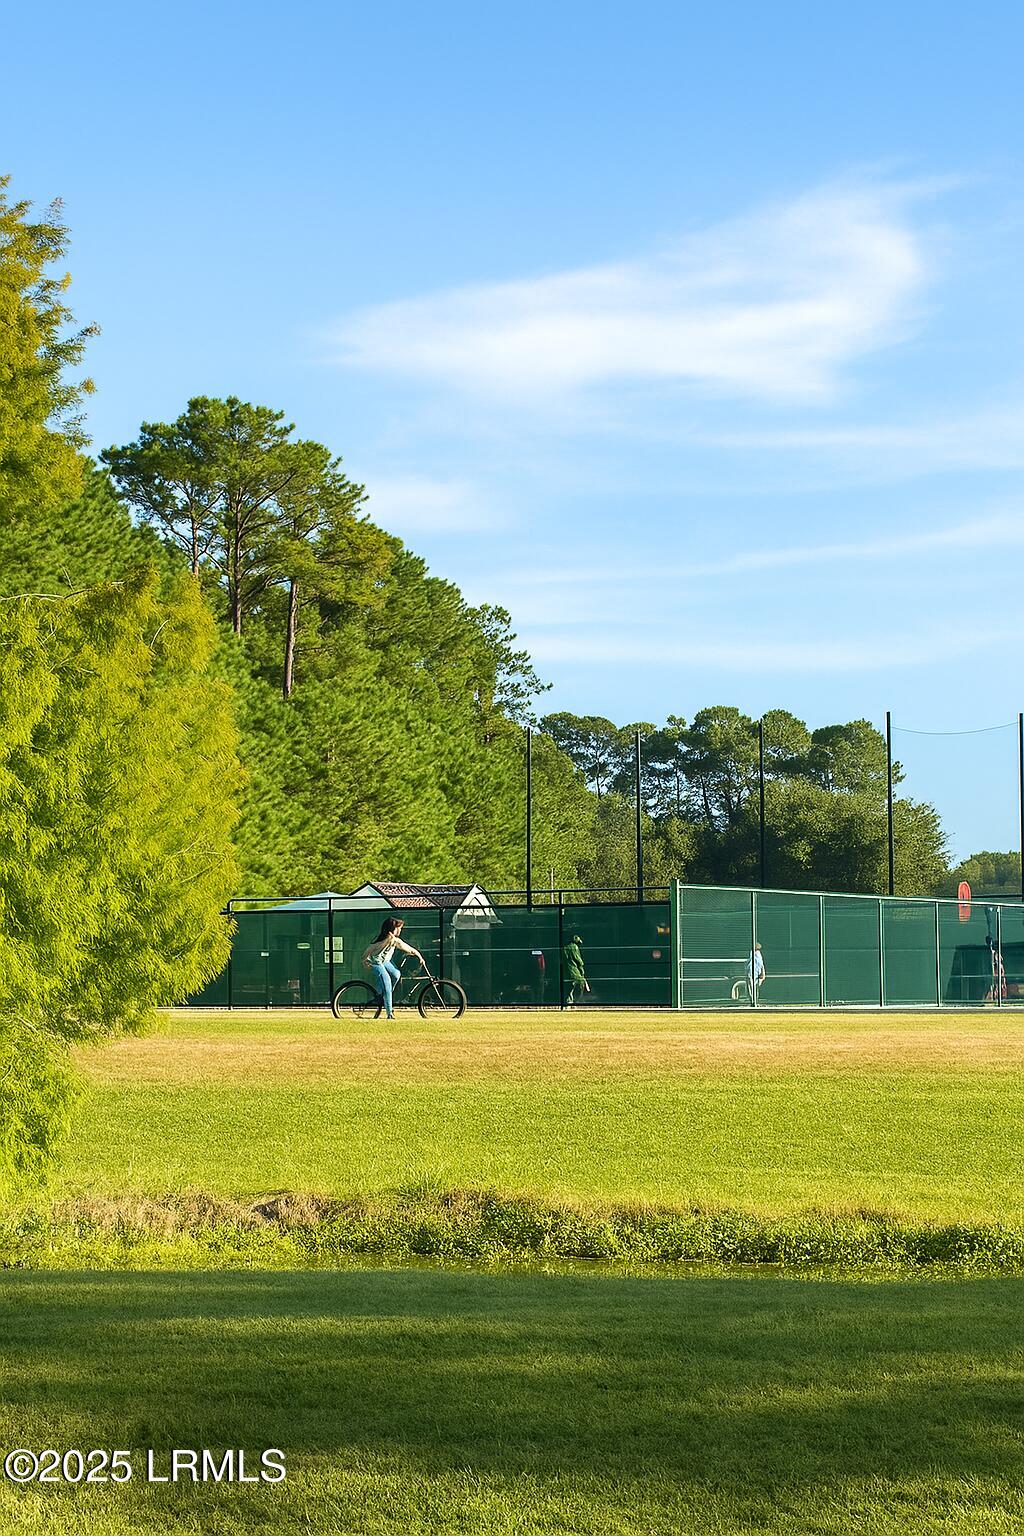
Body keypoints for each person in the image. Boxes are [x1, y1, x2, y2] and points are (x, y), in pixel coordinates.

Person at [362, 918, 426, 1020]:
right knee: (386, 981)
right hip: (375, 962)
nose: (400, 931)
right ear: (392, 929)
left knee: (396, 974)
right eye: (398, 928)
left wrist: (420, 957)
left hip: (385, 962)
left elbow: (409, 949)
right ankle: (389, 1013)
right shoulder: (383, 940)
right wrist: (365, 961)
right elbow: (369, 950)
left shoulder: (395, 941)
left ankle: (384, 995)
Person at [562, 934, 590, 1007]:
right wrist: (582, 970)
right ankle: (575, 1002)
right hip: (574, 970)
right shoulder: (573, 947)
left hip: (566, 971)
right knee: (580, 983)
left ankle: (569, 1002)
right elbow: (578, 960)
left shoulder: (564, 947)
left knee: (569, 987)